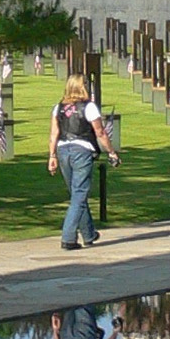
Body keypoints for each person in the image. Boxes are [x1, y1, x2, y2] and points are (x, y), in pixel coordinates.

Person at [53, 80, 119, 249]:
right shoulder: (88, 107)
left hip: (62, 150)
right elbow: (100, 132)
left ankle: (89, 234)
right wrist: (111, 152)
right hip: (81, 150)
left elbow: (54, 133)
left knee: (76, 194)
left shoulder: (58, 107)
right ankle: (68, 237)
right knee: (79, 194)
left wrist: (52, 155)